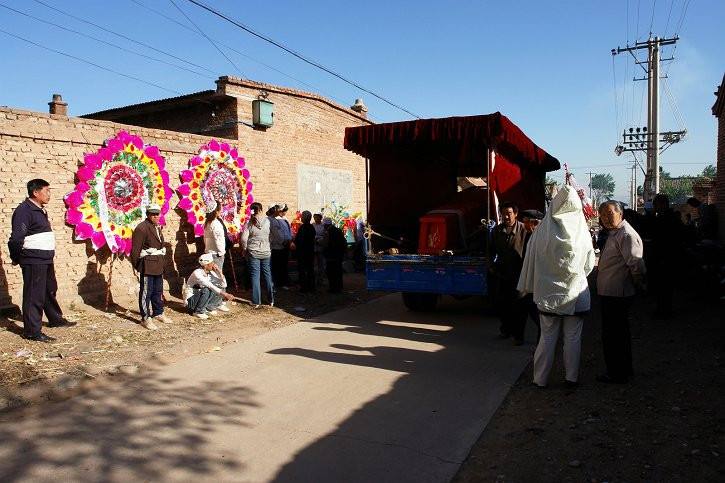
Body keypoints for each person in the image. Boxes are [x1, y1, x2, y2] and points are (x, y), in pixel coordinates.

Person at [518, 186, 595, 388]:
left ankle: (540, 379)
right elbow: (588, 266)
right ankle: (571, 379)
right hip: (576, 296)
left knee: (547, 337)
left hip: (548, 296)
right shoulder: (583, 234)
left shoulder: (541, 232)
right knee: (572, 338)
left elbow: (531, 260)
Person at [8, 179, 75, 342]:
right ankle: (32, 331)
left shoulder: (40, 210)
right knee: (34, 295)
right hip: (33, 259)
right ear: (35, 192)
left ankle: (55, 319)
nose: (49, 194)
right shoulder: (24, 210)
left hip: (45, 258)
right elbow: (16, 238)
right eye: (46, 190)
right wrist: (17, 257)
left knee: (49, 289)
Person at [596, 200, 646, 384]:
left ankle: (617, 373)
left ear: (620, 213)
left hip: (617, 293)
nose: (607, 218)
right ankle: (622, 370)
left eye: (610, 213)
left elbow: (636, 264)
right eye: (603, 215)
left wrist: (638, 285)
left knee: (614, 336)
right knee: (616, 335)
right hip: (610, 292)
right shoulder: (614, 233)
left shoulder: (626, 234)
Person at [489, 201, 528, 345]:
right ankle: (506, 329)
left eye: (509, 213)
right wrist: (491, 266)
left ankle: (519, 336)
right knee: (502, 304)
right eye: (503, 213)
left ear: (516, 214)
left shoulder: (524, 230)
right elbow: (491, 251)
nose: (506, 217)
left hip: (520, 274)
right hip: (503, 274)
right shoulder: (497, 231)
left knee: (519, 306)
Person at [130, 204, 172, 330]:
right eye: (153, 214)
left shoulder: (157, 227)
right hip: (147, 265)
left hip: (158, 264)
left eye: (157, 214)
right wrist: (138, 266)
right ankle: (145, 317)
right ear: (148, 215)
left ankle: (158, 312)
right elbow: (135, 251)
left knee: (158, 291)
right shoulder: (142, 228)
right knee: (146, 293)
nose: (156, 216)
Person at [241, 202, 274, 308]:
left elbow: (243, 238)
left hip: (253, 252)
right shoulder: (268, 221)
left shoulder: (249, 223)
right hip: (266, 252)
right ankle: (271, 300)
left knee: (255, 277)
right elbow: (273, 235)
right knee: (267, 276)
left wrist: (245, 248)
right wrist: (269, 244)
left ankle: (256, 301)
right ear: (261, 210)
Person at [519, 209, 545, 341]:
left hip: (537, 282)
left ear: (534, 223)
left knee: (536, 312)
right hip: (528, 280)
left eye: (525, 222)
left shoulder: (542, 238)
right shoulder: (530, 235)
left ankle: (541, 341)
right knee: (526, 309)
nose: (523, 225)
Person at [185, 253, 235, 319]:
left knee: (218, 287)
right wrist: (225, 294)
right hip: (190, 303)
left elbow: (223, 285)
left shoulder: (210, 273)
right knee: (207, 289)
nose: (214, 264)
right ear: (206, 265)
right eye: (212, 263)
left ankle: (208, 308)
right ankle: (198, 311)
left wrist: (219, 271)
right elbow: (209, 285)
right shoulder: (197, 273)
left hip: (198, 301)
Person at [270, 203, 292, 289]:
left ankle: (284, 281)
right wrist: (283, 241)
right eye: (283, 211)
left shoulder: (285, 219)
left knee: (284, 265)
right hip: (278, 246)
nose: (284, 213)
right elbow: (278, 234)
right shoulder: (276, 220)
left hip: (286, 245)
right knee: (278, 266)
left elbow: (288, 231)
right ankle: (279, 282)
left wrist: (290, 239)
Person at [322, 217, 347, 293]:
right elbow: (344, 242)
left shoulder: (327, 232)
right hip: (338, 255)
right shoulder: (338, 230)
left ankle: (333, 288)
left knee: (331, 272)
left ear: (326, 225)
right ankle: (339, 287)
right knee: (338, 271)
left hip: (331, 255)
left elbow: (326, 244)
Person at [294, 211, 317, 293]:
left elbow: (299, 240)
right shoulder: (310, 227)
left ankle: (305, 287)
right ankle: (310, 286)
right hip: (309, 251)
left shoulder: (304, 227)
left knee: (304, 269)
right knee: (309, 269)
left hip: (304, 252)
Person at [313, 213, 326, 285]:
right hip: (314, 246)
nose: (315, 219)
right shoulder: (313, 225)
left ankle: (320, 279)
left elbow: (325, 235)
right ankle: (315, 279)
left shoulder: (323, 226)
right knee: (315, 264)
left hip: (321, 246)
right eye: (314, 217)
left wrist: (319, 240)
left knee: (321, 264)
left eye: (317, 217)